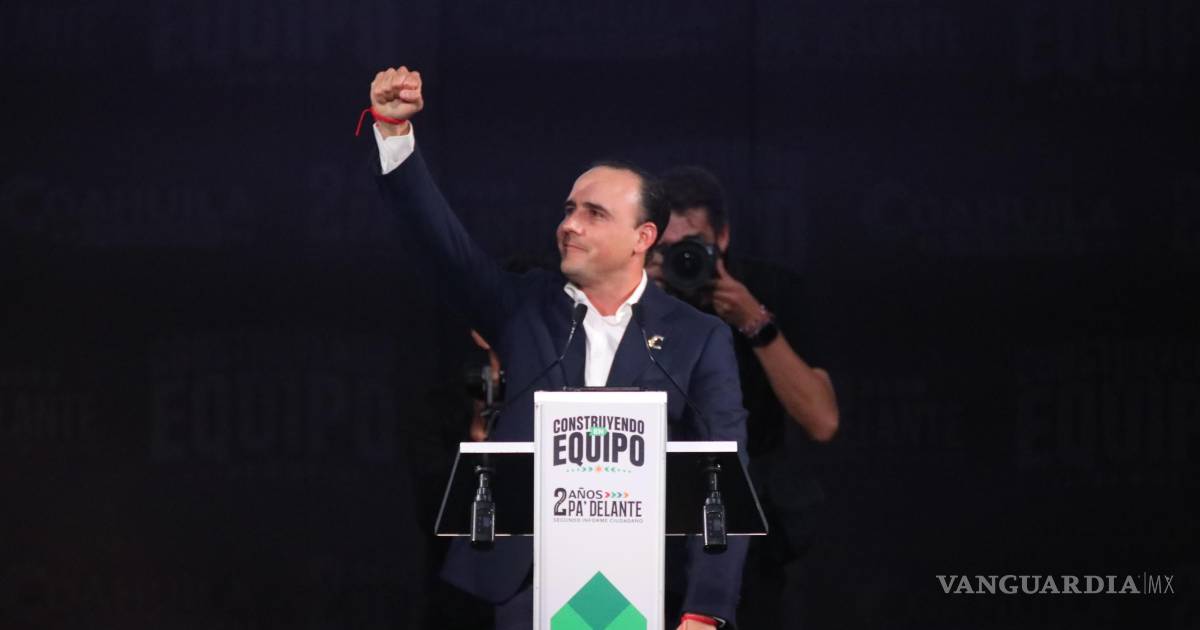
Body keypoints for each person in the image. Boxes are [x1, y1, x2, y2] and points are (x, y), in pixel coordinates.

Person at [367, 67, 749, 630]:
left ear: (643, 237)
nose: (570, 225)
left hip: (643, 588)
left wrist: (705, 610)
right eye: (569, 209)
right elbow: (443, 249)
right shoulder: (522, 308)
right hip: (522, 589)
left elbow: (724, 477)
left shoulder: (698, 337)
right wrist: (395, 133)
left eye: (594, 214)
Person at [649, 166, 839, 628]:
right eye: (664, 250)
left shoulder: (769, 291)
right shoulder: (630, 296)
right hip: (646, 525)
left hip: (746, 529)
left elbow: (822, 420)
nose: (679, 261)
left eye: (691, 247)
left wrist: (754, 321)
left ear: (723, 237)